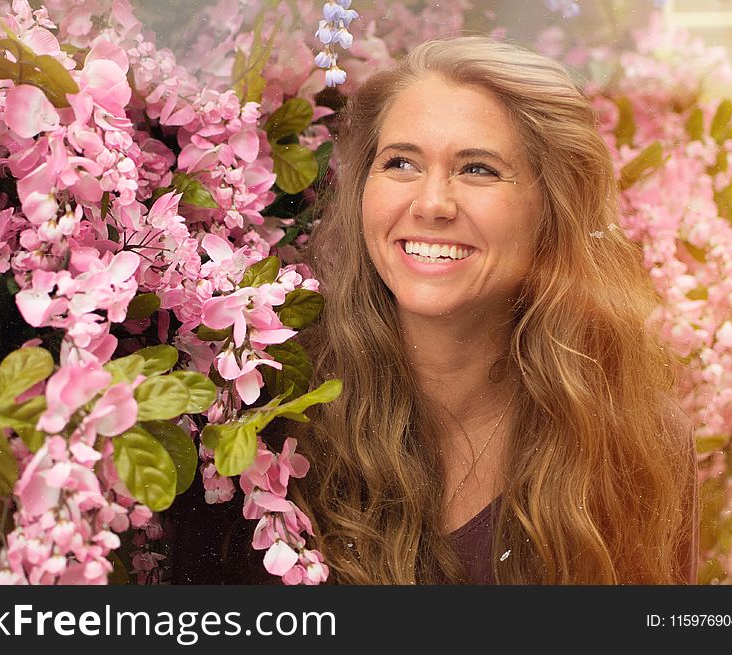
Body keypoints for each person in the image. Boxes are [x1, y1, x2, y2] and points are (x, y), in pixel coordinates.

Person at [168, 35, 699, 585]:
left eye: (478, 170)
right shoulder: (261, 426)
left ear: (552, 208)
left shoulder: (634, 438)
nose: (431, 204)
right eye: (401, 163)